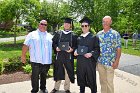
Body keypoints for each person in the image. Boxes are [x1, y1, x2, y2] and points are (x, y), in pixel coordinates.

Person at [21, 20, 53, 93]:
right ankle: (34, 90)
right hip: (36, 61)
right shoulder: (32, 34)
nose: (43, 26)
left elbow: (55, 46)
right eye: (42, 24)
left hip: (46, 61)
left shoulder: (50, 36)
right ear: (39, 24)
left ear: (46, 26)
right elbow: (25, 45)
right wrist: (23, 56)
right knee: (35, 77)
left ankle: (43, 88)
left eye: (45, 25)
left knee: (44, 76)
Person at [50, 18, 77, 93]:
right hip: (59, 56)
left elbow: (76, 46)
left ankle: (67, 88)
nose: (66, 25)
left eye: (68, 24)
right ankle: (56, 87)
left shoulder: (73, 35)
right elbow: (53, 43)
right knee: (58, 71)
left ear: (70, 25)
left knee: (67, 72)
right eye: (65, 23)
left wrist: (72, 49)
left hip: (68, 57)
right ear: (63, 24)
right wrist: (56, 48)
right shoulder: (58, 33)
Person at [74, 17, 100, 93]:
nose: (84, 27)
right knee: (81, 78)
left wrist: (91, 54)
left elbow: (97, 49)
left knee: (91, 79)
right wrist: (75, 51)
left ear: (89, 27)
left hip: (90, 63)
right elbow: (76, 48)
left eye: (86, 26)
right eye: (82, 26)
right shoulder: (79, 38)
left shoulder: (94, 37)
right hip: (81, 62)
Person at [97, 16, 121, 93]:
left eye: (107, 21)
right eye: (104, 21)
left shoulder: (115, 34)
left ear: (111, 22)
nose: (105, 23)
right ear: (102, 22)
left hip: (110, 63)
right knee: (102, 82)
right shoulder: (98, 34)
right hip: (100, 62)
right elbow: (96, 48)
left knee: (109, 83)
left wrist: (117, 61)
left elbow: (118, 49)